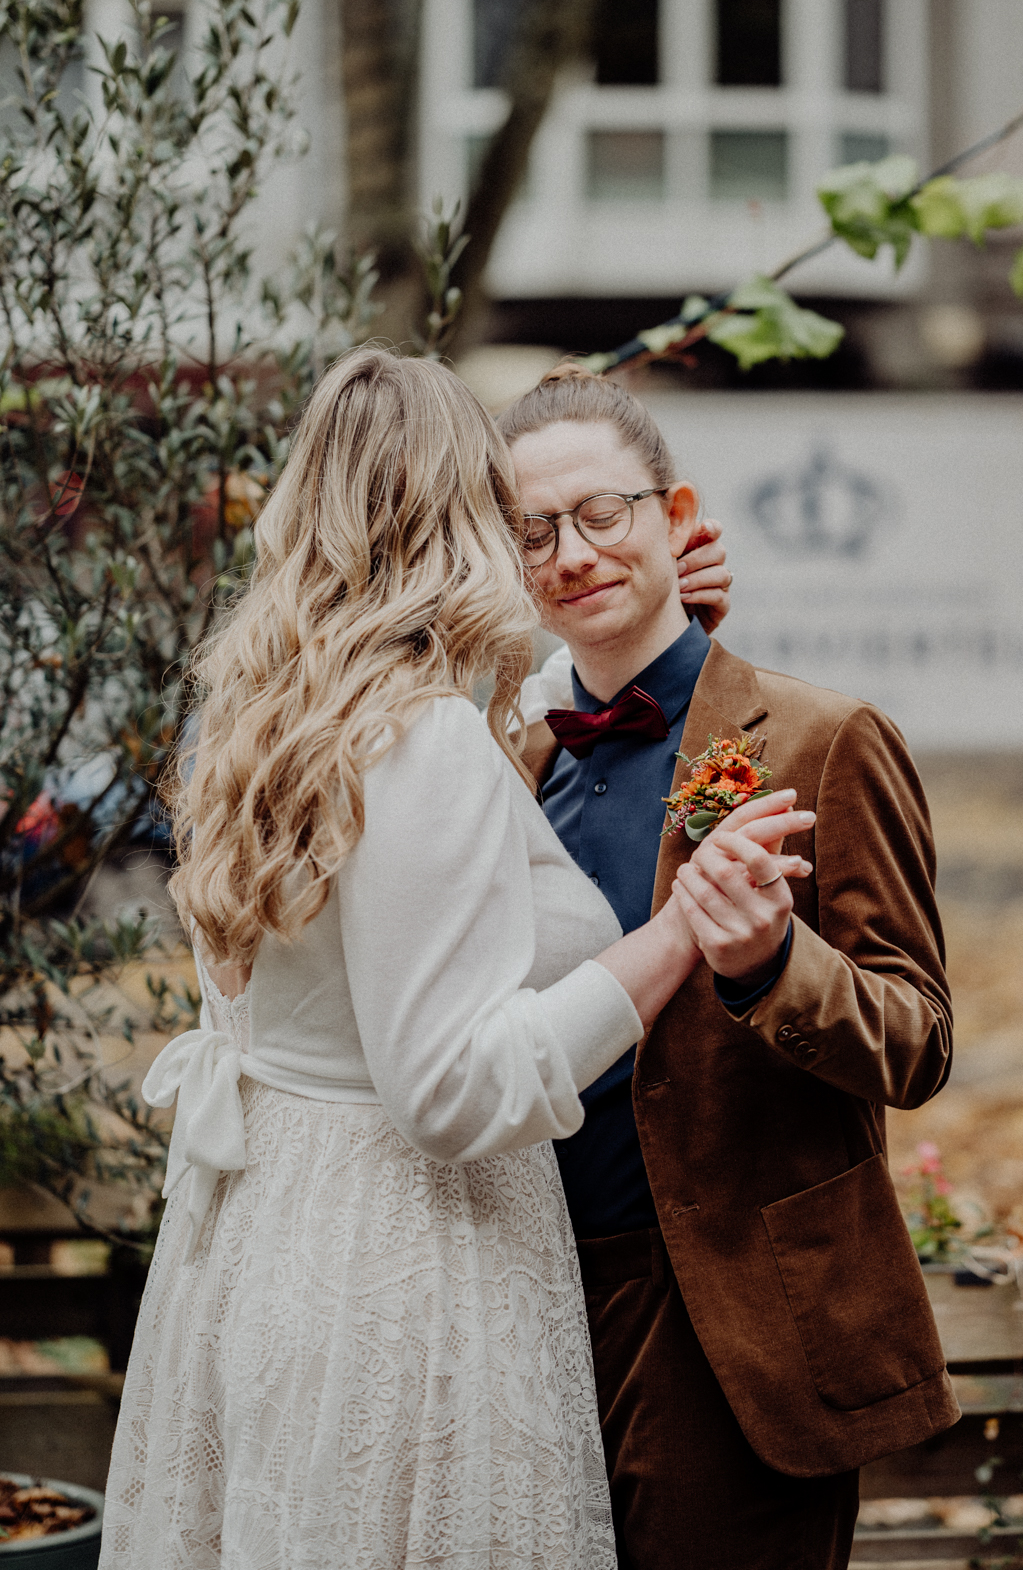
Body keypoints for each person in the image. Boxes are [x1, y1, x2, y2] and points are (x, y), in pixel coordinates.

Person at [99, 348, 771, 1570]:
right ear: (460, 516)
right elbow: (451, 1090)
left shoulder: (258, 716)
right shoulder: (426, 740)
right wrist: (677, 934)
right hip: (406, 1268)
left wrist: (664, 625)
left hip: (264, 1235)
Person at [499, 364, 961, 1570]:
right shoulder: (512, 762)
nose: (572, 553)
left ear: (677, 515)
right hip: (530, 1311)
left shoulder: (824, 740)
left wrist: (771, 967)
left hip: (741, 1324)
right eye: (534, 530)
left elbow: (917, 1037)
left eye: (602, 513)